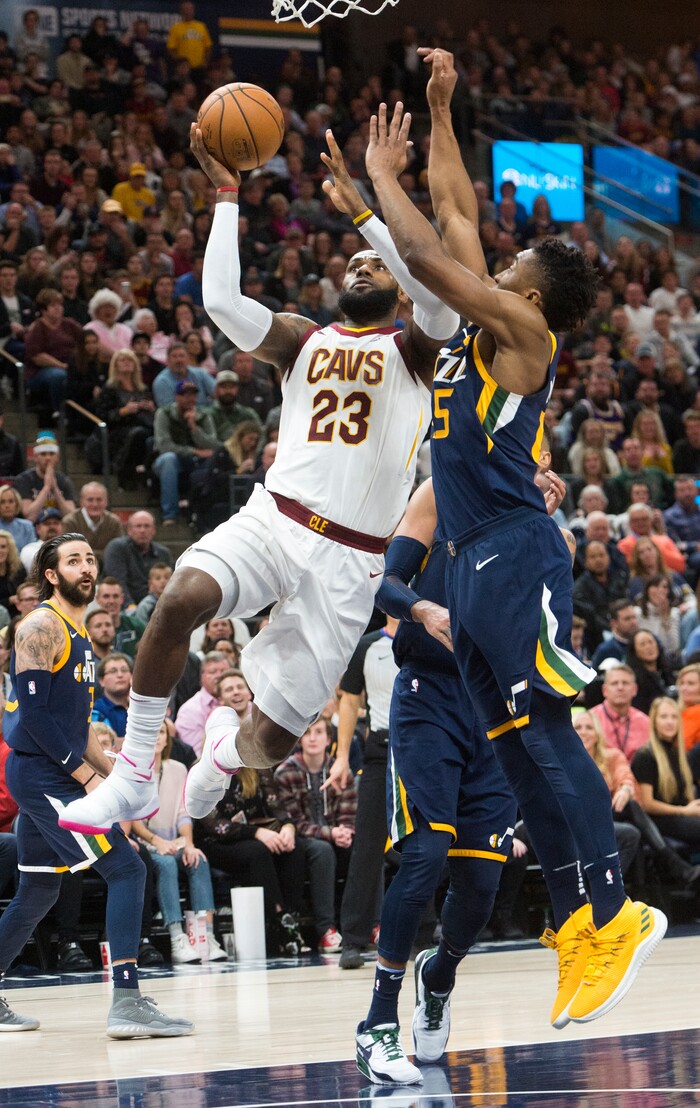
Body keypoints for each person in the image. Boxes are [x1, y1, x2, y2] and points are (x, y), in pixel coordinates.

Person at [360, 50, 664, 1069]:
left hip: (514, 554)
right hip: (476, 556)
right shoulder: (493, 321)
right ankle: (580, 922)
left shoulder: (521, 330)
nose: (500, 260)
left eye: (515, 261)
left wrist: (379, 180)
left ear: (535, 290)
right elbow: (453, 215)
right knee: (515, 742)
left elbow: (432, 254)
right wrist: (444, 110)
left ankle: (615, 912)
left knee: (547, 731)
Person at [58, 116, 458, 835]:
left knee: (269, 743)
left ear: (393, 289)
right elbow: (220, 304)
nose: (357, 269)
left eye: (371, 266)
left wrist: (370, 214)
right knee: (181, 597)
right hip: (277, 517)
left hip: (351, 564)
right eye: (350, 265)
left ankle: (217, 761)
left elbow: (435, 297)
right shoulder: (304, 338)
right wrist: (224, 193)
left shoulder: (416, 351)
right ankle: (135, 773)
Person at [0, 533, 191, 1036]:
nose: (86, 567)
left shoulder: (80, 635)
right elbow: (37, 719)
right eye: (73, 560)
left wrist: (117, 774)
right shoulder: (40, 625)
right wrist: (86, 778)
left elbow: (78, 727)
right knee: (127, 867)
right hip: (40, 771)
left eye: (90, 558)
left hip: (50, 769)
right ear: (50, 573)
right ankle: (126, 1001)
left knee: (39, 888)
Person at [129, 720, 226, 964]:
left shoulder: (179, 768)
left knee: (198, 860)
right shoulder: (132, 770)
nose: (157, 737)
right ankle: (177, 937)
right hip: (145, 841)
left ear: (167, 738)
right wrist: (157, 841)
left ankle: (207, 936)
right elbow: (133, 818)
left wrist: (189, 843)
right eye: (151, 732)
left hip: (174, 841)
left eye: (161, 732)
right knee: (166, 864)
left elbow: (185, 812)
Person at [573, 710, 700, 890]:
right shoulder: (565, 762)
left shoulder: (612, 756)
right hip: (578, 821)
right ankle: (674, 868)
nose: (584, 732)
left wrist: (625, 788)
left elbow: (626, 776)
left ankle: (645, 889)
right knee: (633, 827)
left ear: (597, 733)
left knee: (631, 808)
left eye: (589, 727)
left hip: (608, 817)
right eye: (578, 727)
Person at [274, 718, 357, 953]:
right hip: (304, 839)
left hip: (336, 834)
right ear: (299, 738)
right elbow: (295, 822)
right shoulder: (285, 771)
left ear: (328, 739)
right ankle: (326, 930)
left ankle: (371, 924)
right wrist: (331, 833)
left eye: (319, 732)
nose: (312, 738)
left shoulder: (339, 770)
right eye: (307, 732)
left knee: (364, 849)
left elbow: (349, 812)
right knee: (323, 851)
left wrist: (345, 831)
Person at [631, 697, 700, 855]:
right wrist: (684, 811)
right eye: (664, 717)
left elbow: (686, 797)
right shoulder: (645, 755)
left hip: (681, 814)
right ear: (654, 721)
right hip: (659, 820)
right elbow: (648, 804)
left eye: (674, 717)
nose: (670, 722)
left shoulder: (679, 754)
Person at [103, 511, 172, 607]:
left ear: (154, 530)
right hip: (125, 608)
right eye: (138, 526)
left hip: (157, 607)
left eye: (147, 526)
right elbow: (118, 582)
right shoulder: (117, 548)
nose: (142, 530)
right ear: (129, 530)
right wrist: (130, 606)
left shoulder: (164, 553)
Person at [590, 664, 651, 759]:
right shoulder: (590, 720)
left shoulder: (646, 723)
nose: (620, 687)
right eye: (614, 683)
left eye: (625, 683)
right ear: (604, 690)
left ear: (634, 689)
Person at [14, 433, 76, 525]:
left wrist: (55, 488)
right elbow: (28, 514)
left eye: (51, 454)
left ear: (57, 457)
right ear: (35, 457)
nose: (48, 458)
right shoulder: (24, 480)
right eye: (43, 454)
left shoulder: (64, 481)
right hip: (33, 529)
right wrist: (46, 487)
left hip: (59, 529)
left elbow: (70, 516)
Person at [61, 481, 124, 565]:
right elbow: (70, 553)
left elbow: (118, 552)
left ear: (106, 502)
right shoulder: (70, 522)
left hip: (109, 567)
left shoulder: (114, 522)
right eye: (90, 500)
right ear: (82, 502)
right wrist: (103, 553)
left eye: (99, 499)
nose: (95, 504)